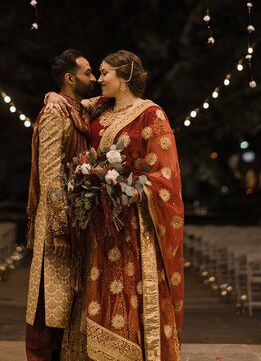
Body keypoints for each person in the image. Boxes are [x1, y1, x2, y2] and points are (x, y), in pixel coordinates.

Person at [48, 50, 184, 361]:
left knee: (128, 293)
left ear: (124, 77)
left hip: (133, 226)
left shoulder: (151, 114)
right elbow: (66, 101)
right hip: (100, 224)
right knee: (97, 293)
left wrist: (127, 191)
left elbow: (164, 174)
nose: (98, 80)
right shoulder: (98, 110)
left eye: (105, 72)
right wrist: (50, 95)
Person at [25, 49, 97, 361]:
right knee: (48, 306)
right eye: (88, 73)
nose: (93, 79)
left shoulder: (80, 112)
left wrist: (50, 93)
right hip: (57, 228)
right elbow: (51, 176)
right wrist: (58, 230)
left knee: (69, 307)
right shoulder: (56, 115)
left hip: (79, 222)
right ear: (70, 78)